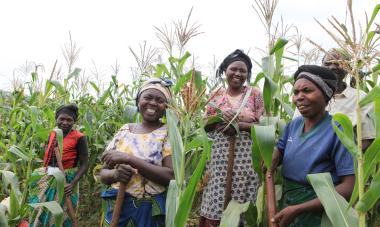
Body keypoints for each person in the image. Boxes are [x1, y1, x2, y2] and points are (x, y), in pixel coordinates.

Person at [271, 65, 355, 227]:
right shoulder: (293, 125)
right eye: (295, 93)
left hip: (320, 213)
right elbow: (281, 148)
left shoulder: (338, 129)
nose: (299, 97)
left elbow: (349, 187)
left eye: (307, 91)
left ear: (326, 94)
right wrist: (275, 153)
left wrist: (298, 209)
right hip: (288, 205)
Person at [199, 49, 264, 227]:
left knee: (244, 195)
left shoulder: (255, 94)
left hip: (246, 158)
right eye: (233, 69)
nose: (238, 73)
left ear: (248, 74)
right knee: (217, 195)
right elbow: (204, 124)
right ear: (225, 71)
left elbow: (264, 127)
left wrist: (239, 126)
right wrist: (220, 118)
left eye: (243, 71)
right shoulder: (216, 96)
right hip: (219, 158)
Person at [100, 78, 174, 227]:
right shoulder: (124, 130)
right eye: (147, 97)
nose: (153, 103)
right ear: (138, 101)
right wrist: (115, 175)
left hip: (149, 210)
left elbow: (170, 177)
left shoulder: (168, 134)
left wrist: (128, 159)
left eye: (160, 100)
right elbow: (103, 173)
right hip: (118, 206)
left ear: (166, 107)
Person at [293, 48, 375, 150]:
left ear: (348, 67)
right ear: (321, 67)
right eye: (327, 63)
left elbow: (368, 138)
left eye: (338, 63)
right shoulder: (306, 96)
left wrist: (347, 159)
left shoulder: (361, 98)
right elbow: (294, 132)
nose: (332, 67)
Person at [29, 104, 89, 226]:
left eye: (69, 120)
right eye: (62, 119)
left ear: (74, 121)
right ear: (56, 118)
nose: (65, 122)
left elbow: (84, 164)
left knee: (61, 213)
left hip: (65, 179)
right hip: (47, 177)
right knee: (41, 208)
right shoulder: (52, 133)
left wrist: (72, 184)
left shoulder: (79, 137)